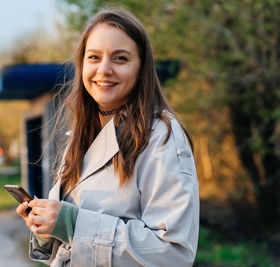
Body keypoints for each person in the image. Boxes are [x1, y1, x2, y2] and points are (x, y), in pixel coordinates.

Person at [17, 8, 199, 266]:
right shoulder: (81, 135)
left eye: (120, 59)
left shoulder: (161, 137)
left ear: (141, 68)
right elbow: (75, 251)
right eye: (94, 57)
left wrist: (72, 223)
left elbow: (172, 254)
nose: (104, 69)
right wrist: (48, 228)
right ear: (82, 64)